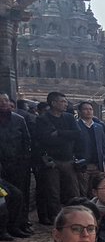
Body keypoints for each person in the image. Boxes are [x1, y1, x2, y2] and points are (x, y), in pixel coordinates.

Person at [34, 91, 82, 223]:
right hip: (52, 160)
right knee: (53, 192)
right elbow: (45, 139)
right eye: (62, 101)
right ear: (53, 103)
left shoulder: (69, 118)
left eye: (66, 102)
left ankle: (75, 217)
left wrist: (59, 133)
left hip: (68, 159)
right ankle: (57, 220)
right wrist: (66, 137)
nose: (65, 104)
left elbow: (77, 134)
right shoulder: (43, 119)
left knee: (73, 191)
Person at [1, 93, 33, 231]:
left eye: (5, 100)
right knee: (5, 197)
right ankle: (5, 227)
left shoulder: (19, 119)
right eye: (0, 101)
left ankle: (20, 224)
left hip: (19, 164)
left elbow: (27, 141)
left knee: (22, 195)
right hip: (1, 166)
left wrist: (25, 161)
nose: (3, 103)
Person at [76, 101, 105, 196]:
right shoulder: (76, 126)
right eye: (85, 109)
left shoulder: (98, 127)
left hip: (97, 165)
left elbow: (104, 146)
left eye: (90, 109)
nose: (88, 111)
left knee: (97, 190)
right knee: (83, 191)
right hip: (83, 166)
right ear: (80, 111)